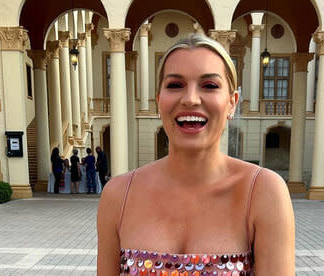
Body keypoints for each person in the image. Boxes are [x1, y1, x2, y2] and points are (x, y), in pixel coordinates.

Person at [97, 34, 295, 275]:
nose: (190, 99)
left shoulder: (262, 192)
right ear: (159, 101)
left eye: (209, 86)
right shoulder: (118, 196)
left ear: (232, 103)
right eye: (175, 85)